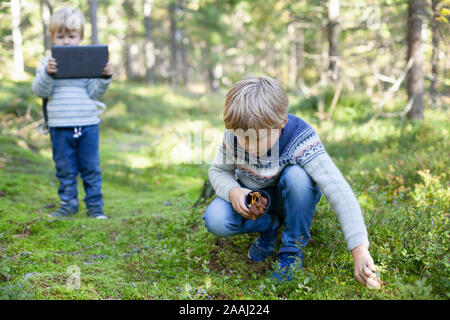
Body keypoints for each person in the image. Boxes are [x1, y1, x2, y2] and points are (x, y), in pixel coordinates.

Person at [203, 76, 378, 285]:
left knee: (298, 175)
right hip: (254, 198)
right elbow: (218, 171)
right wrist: (233, 191)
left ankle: (292, 252)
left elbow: (337, 189)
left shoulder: (300, 137)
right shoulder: (235, 133)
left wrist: (359, 249)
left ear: (282, 123)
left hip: (291, 198)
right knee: (215, 219)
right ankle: (269, 226)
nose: (247, 146)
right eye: (242, 138)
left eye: (257, 139)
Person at [32, 7, 113, 219]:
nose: (66, 41)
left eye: (71, 36)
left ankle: (95, 207)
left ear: (81, 37)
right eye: (60, 37)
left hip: (87, 124)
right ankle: (68, 205)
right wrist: (48, 74)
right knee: (65, 169)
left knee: (91, 168)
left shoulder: (86, 61)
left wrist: (105, 78)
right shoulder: (47, 63)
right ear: (52, 37)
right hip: (60, 126)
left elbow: (95, 93)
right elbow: (40, 91)